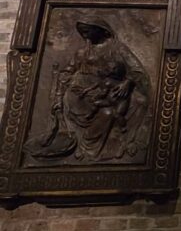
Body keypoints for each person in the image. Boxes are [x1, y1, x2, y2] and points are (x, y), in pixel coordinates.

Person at [26, 19, 149, 164]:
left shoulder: (118, 49)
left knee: (141, 102)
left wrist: (128, 83)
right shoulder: (81, 53)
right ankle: (88, 149)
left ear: (102, 30)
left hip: (112, 90)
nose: (85, 33)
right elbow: (67, 73)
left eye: (88, 29)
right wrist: (59, 95)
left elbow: (137, 71)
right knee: (107, 113)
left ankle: (125, 142)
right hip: (82, 94)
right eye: (82, 30)